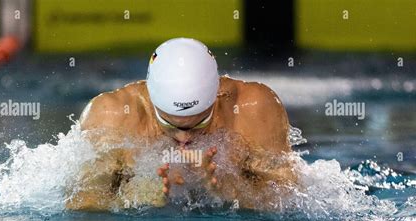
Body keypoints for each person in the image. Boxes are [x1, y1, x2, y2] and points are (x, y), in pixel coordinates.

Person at [66, 38, 296, 211]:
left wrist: (230, 191)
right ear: (151, 100)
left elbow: (292, 199)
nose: (184, 139)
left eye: (199, 124)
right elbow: (79, 204)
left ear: (217, 96)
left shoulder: (254, 108)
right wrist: (129, 198)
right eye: (169, 123)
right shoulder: (112, 115)